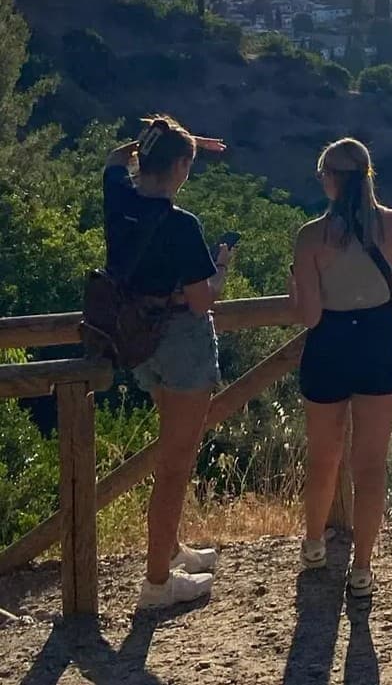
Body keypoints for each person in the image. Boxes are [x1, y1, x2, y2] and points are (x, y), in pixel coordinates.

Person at [103, 116, 234, 609]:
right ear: (180, 166)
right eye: (188, 163)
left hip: (138, 341)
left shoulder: (119, 196)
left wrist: (170, 142)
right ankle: (158, 583)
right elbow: (203, 300)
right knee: (175, 465)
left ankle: (171, 549)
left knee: (170, 451)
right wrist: (221, 268)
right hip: (181, 343)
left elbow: (115, 158)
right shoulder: (182, 225)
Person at [289, 138, 392, 597]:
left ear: (330, 179)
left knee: (323, 456)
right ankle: (363, 568)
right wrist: (385, 282)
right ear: (369, 177)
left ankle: (314, 545)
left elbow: (309, 315)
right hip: (377, 340)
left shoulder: (311, 236)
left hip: (328, 343)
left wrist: (298, 289)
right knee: (370, 465)